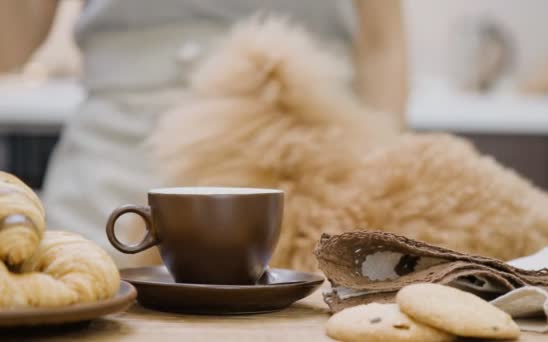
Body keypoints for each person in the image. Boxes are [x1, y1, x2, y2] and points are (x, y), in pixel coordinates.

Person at [0, 0, 406, 266]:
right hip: (114, 174)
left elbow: (381, 45)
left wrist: (378, 176)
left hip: (310, 180)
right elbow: (10, 47)